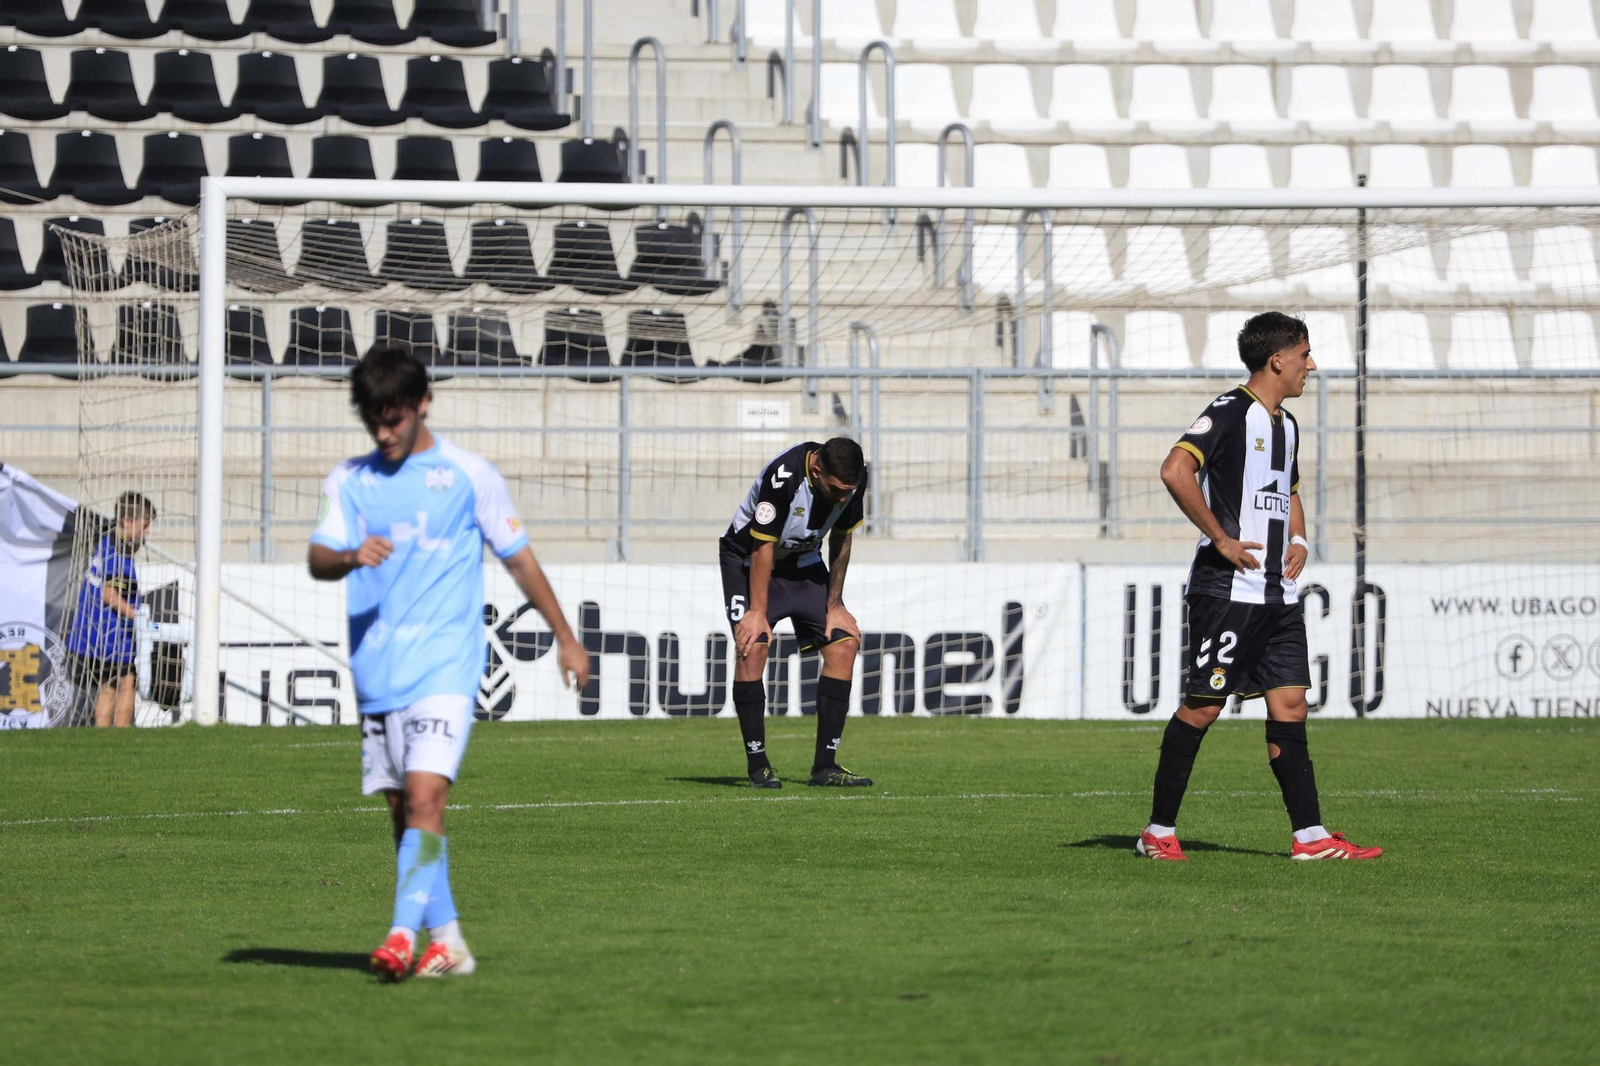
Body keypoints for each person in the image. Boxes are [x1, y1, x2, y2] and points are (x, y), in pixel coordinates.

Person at [308, 345, 590, 980]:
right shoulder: (349, 481)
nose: (384, 434)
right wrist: (352, 555)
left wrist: (566, 637)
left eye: (394, 420)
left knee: (426, 797)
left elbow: (518, 557)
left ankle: (400, 937)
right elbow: (318, 557)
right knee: (405, 814)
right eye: (373, 422)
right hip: (378, 670)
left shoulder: (469, 475)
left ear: (422, 403)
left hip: (446, 667)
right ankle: (450, 943)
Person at [1137, 312, 1381, 862]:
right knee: (1204, 707)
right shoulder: (1228, 412)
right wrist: (1221, 538)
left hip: (1279, 593)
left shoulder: (1287, 425)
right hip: (1228, 591)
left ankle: (1310, 838)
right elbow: (1175, 470)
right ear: (1278, 359)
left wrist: (1300, 537)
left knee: (1291, 704)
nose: (1310, 365)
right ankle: (1156, 831)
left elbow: (1286, 489)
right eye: (1305, 354)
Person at [720, 437, 871, 789]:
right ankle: (759, 766)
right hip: (747, 562)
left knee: (844, 643)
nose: (843, 497)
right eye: (836, 490)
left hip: (802, 564)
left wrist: (834, 605)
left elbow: (843, 538)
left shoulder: (853, 480)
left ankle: (825, 767)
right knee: (752, 644)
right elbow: (762, 546)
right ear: (817, 469)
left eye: (848, 490)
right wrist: (757, 612)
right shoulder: (784, 475)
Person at [66, 491, 154, 728]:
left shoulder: (108, 541)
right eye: (144, 526)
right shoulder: (117, 551)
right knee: (127, 681)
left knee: (110, 683)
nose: (147, 533)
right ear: (127, 521)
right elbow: (108, 593)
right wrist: (137, 615)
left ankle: (103, 738)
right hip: (109, 634)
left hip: (98, 633)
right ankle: (121, 737)